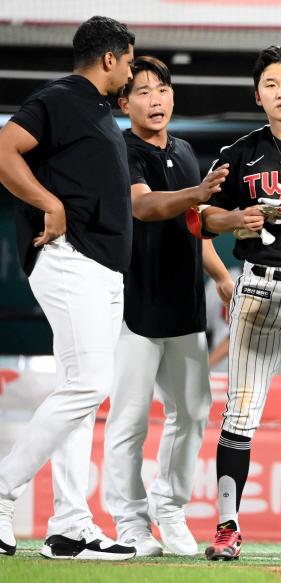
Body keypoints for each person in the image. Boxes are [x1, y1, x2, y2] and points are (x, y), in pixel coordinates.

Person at [0, 16, 138, 560]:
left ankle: (70, 526)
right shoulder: (61, 97)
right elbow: (4, 149)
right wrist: (50, 204)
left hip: (102, 267)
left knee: (82, 394)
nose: (130, 70)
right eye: (129, 60)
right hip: (68, 257)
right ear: (110, 58)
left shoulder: (98, 109)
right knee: (89, 384)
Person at [198, 44, 281, 560]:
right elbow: (202, 219)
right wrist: (237, 219)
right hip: (256, 285)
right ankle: (228, 527)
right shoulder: (237, 153)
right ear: (258, 95)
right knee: (242, 410)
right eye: (272, 85)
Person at [103, 56, 234, 557]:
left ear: (173, 97)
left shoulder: (182, 150)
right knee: (129, 420)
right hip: (134, 304)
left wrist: (221, 276)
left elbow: (193, 222)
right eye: (142, 91)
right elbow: (143, 205)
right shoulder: (121, 149)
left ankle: (170, 505)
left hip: (183, 305)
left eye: (162, 89)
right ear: (124, 102)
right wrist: (196, 194)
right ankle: (130, 523)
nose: (155, 99)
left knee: (194, 411)